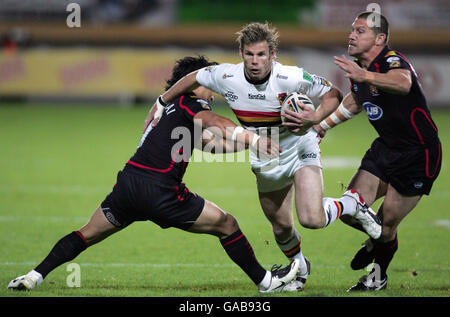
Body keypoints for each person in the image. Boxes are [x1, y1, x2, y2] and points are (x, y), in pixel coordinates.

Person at [7, 56, 300, 293]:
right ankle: (266, 282)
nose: (213, 90)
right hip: (161, 191)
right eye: (208, 83)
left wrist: (257, 142)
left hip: (128, 186)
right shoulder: (191, 103)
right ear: (194, 83)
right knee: (227, 223)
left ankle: (33, 276)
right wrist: (253, 139)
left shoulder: (169, 111)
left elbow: (211, 145)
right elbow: (212, 121)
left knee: (86, 234)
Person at [143, 22, 382, 291]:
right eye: (249, 55)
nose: (255, 62)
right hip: (265, 155)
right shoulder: (227, 76)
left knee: (312, 218)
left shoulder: (291, 77)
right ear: (241, 53)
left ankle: (352, 204)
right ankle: (300, 270)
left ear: (272, 54)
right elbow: (195, 76)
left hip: (301, 146)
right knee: (280, 227)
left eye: (261, 55)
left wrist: (313, 118)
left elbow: (332, 94)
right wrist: (162, 102)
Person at [307, 12, 442, 291]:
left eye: (360, 31)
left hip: (418, 154)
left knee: (387, 223)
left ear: (379, 38)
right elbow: (356, 101)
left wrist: (365, 75)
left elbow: (403, 83)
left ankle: (377, 275)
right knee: (349, 207)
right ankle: (376, 239)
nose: (351, 35)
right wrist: (322, 126)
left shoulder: (391, 60)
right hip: (385, 149)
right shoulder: (360, 70)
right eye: (351, 30)